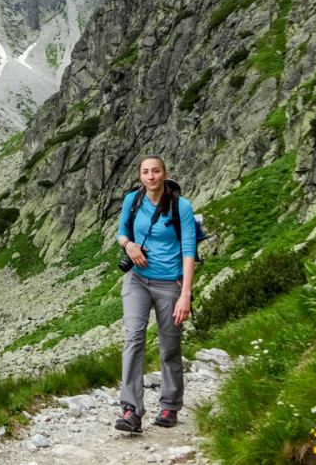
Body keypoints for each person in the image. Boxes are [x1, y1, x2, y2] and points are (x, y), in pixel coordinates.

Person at [114, 155, 196, 433]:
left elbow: (189, 250)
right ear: (140, 176)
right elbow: (121, 232)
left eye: (155, 171)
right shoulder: (132, 201)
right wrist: (129, 246)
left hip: (169, 283)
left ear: (165, 174)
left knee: (169, 345)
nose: (150, 176)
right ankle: (130, 410)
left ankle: (170, 405)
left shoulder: (181, 207)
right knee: (133, 338)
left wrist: (185, 293)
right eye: (145, 172)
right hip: (137, 280)